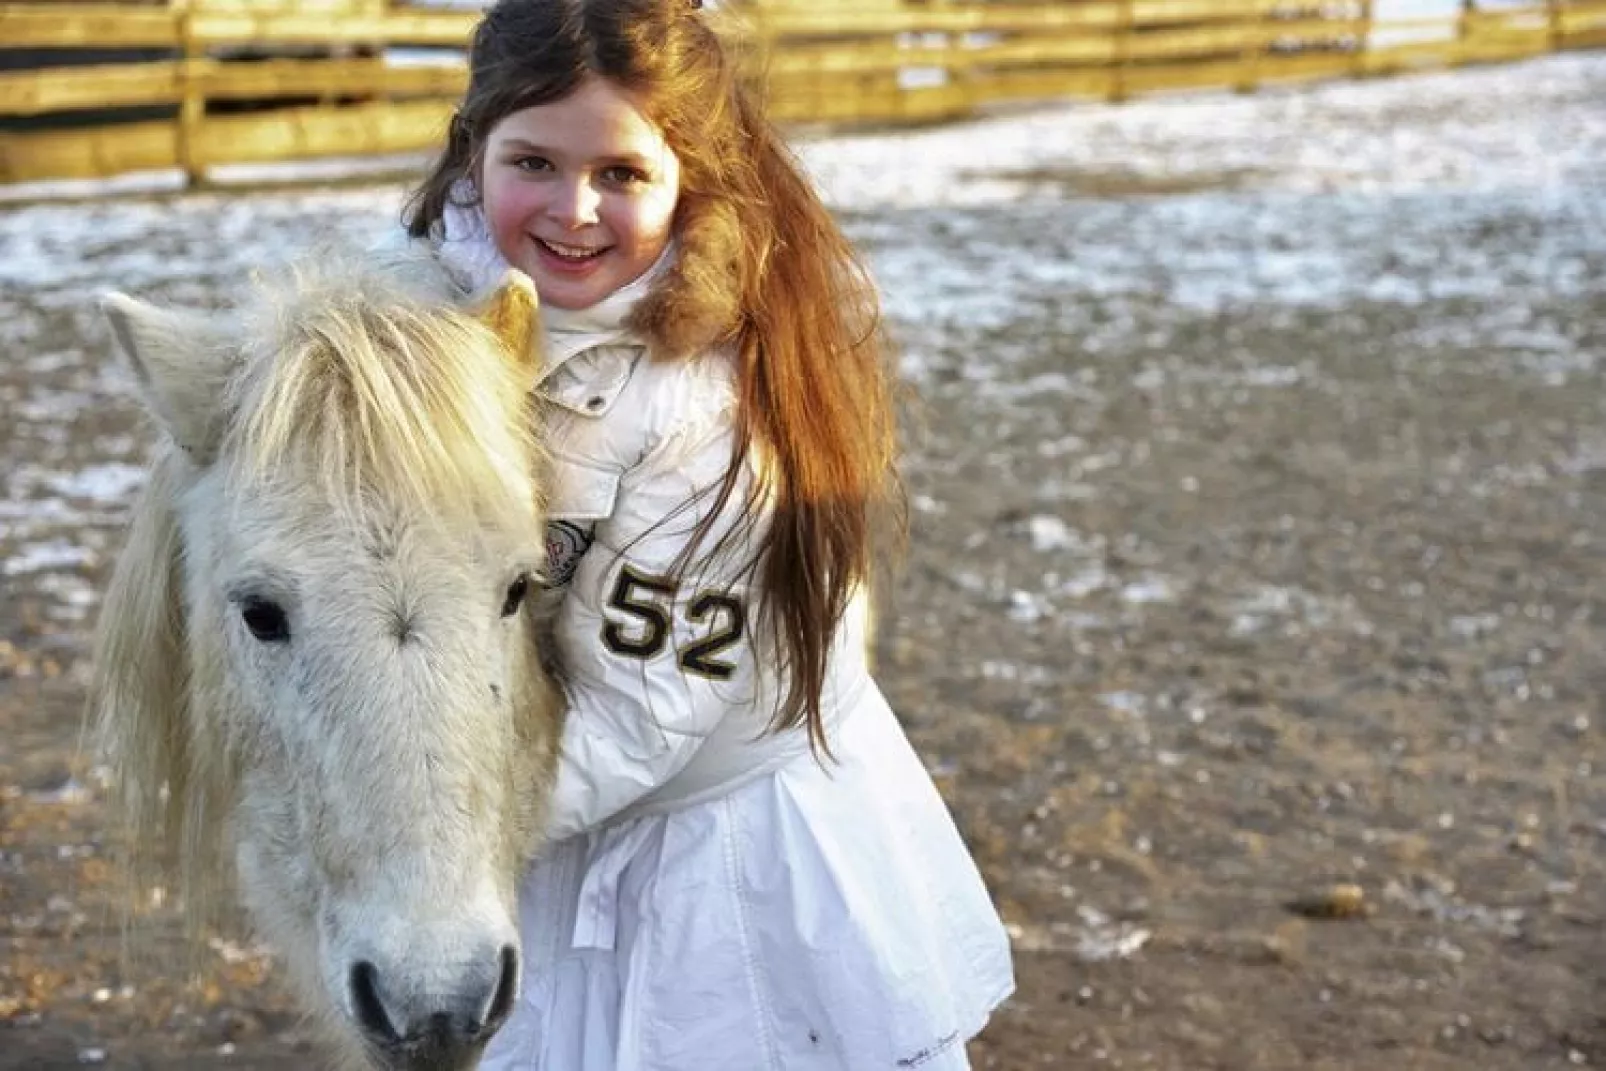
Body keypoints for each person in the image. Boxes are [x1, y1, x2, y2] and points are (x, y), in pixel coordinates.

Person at [396, 0, 1014, 1066]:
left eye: (622, 175)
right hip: (516, 798)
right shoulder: (414, 320)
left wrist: (422, 834)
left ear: (691, 181)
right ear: (471, 154)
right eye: (532, 162)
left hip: (703, 848)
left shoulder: (709, 419)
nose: (573, 210)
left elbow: (644, 716)